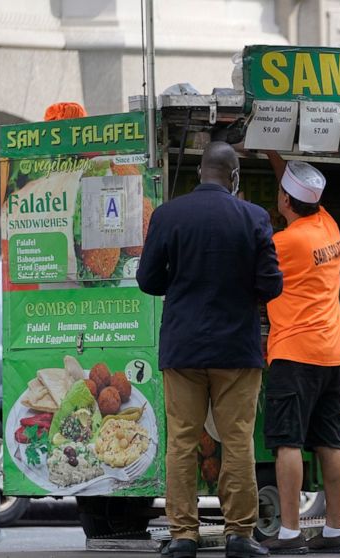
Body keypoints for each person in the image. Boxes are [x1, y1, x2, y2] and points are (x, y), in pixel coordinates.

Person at [138, 142, 282, 558]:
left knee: (182, 441)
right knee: (237, 440)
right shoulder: (253, 217)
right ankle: (240, 535)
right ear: (234, 176)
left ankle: (184, 535)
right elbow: (271, 283)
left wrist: (180, 284)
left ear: (201, 174)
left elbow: (148, 279)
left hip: (183, 347)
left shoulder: (168, 215)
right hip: (236, 348)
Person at [257, 157, 340, 554]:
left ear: (284, 200)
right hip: (333, 353)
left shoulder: (283, 243)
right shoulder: (328, 225)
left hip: (294, 354)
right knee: (330, 443)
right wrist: (274, 157)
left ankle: (291, 532)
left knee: (288, 444)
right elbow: (297, 189)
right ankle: (334, 530)